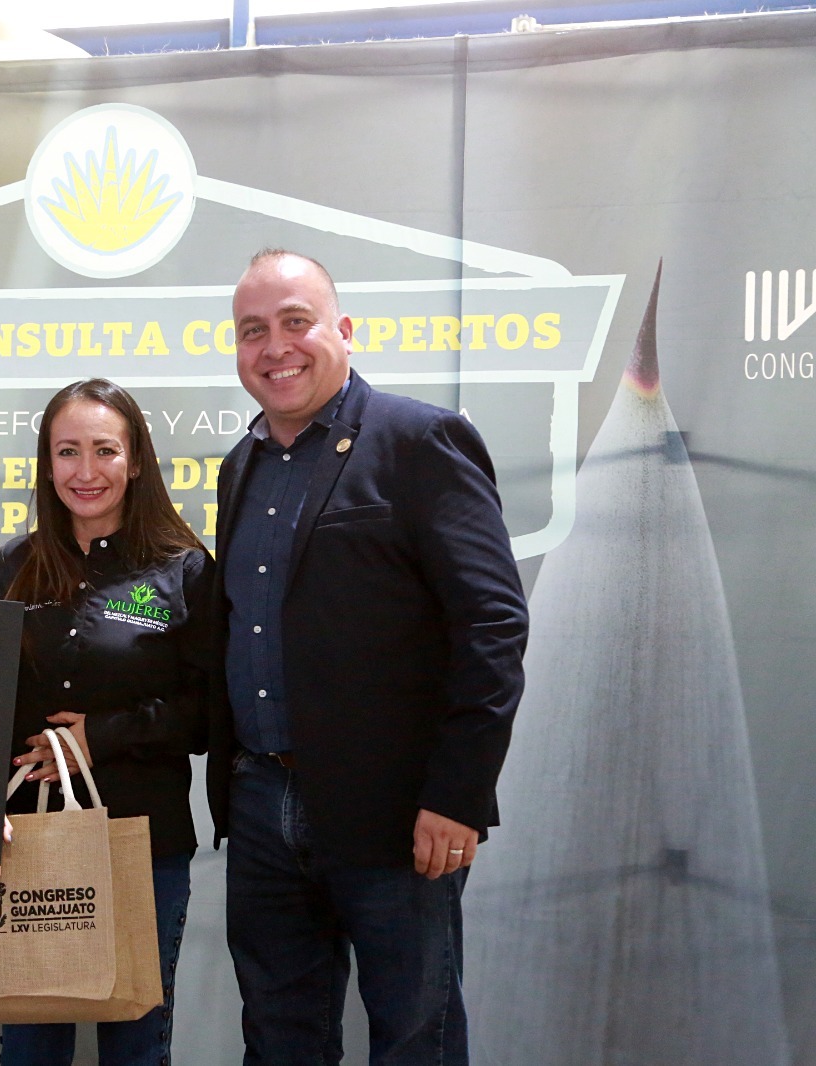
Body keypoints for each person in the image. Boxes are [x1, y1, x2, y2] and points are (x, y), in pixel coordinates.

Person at [210, 249, 529, 1065]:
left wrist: (457, 794)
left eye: (296, 322)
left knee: (416, 1038)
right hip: (262, 805)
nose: (275, 347)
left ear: (344, 330)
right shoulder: (240, 466)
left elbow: (492, 624)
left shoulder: (419, 440)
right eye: (253, 330)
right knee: (279, 1040)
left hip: (398, 813)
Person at [0, 378, 216, 1066]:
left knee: (136, 1046)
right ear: (46, 463)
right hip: (26, 841)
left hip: (142, 842)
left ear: (136, 459)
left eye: (104, 450)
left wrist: (99, 736)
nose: (85, 471)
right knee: (29, 1048)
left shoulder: (184, 570)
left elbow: (209, 714)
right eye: (67, 452)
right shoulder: (14, 564)